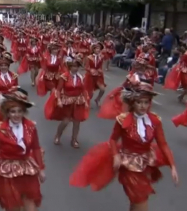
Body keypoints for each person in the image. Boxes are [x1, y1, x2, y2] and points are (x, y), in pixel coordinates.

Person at [70, 81, 178, 211]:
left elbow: (163, 144)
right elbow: (113, 140)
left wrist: (172, 166)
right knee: (140, 202)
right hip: (129, 165)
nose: (143, 106)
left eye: (146, 102)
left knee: (137, 201)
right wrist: (116, 156)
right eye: (139, 102)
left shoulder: (155, 121)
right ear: (133, 102)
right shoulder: (123, 119)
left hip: (146, 164)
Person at [44, 53, 90, 148]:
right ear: (69, 67)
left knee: (77, 121)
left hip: (78, 100)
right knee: (65, 121)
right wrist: (59, 100)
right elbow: (58, 90)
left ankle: (74, 139)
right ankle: (58, 135)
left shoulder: (80, 77)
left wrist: (86, 101)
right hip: (67, 100)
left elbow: (83, 90)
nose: (75, 68)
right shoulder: (64, 76)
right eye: (73, 66)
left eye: (77, 66)